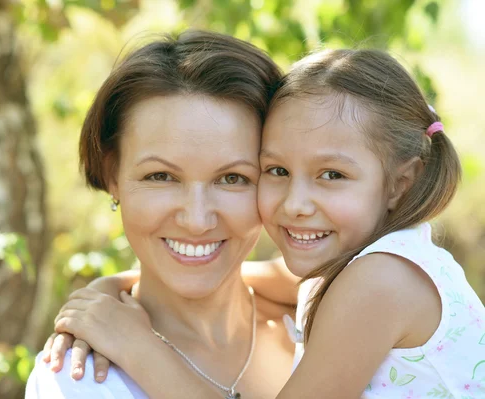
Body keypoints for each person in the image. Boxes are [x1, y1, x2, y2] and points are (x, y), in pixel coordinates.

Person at [51, 48, 485, 399]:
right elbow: (258, 277)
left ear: (399, 184)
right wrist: (104, 292)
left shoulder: (379, 282)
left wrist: (137, 345)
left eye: (332, 175)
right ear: (113, 177)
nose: (296, 204)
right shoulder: (352, 272)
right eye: (277, 170)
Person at [26, 29, 300, 399]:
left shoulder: (334, 322)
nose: (197, 220)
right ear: (113, 177)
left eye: (232, 178)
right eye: (161, 176)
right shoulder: (78, 379)